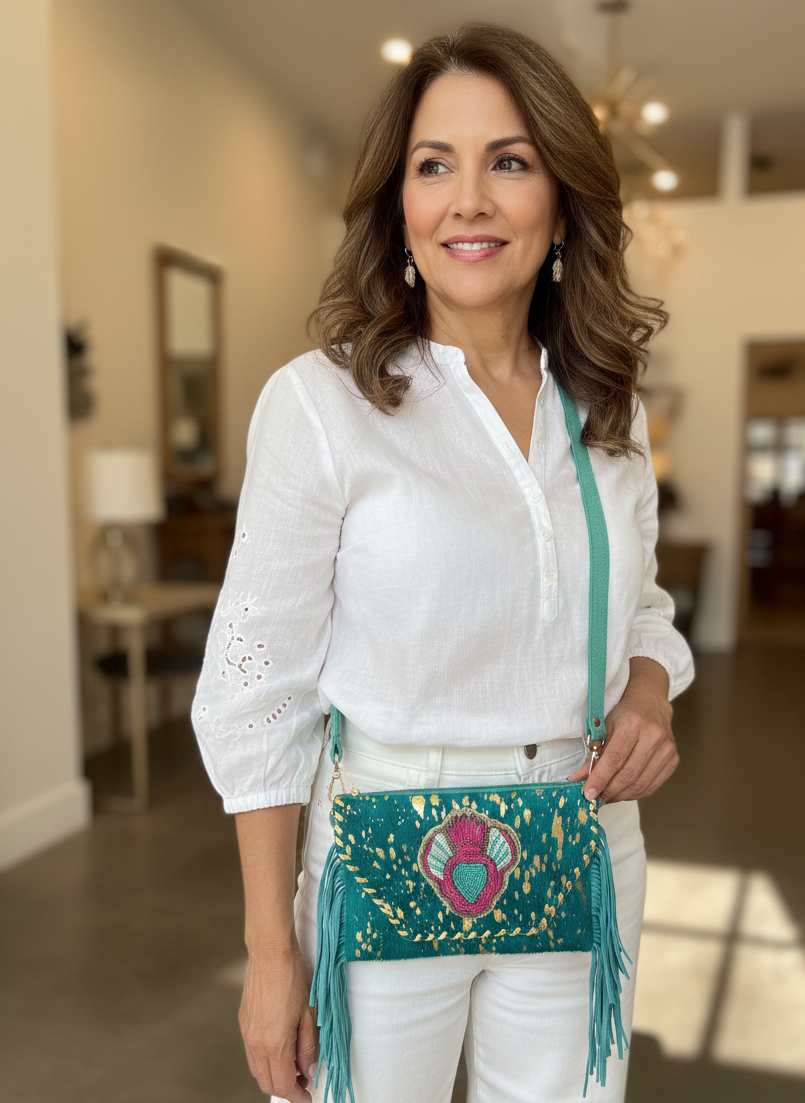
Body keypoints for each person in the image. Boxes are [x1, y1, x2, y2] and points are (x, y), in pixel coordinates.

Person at [192, 24, 694, 1103]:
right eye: (434, 165)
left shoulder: (608, 410)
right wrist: (272, 950)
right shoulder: (321, 404)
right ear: (400, 206)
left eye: (508, 161)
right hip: (381, 844)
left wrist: (648, 691)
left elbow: (641, 607)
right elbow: (257, 691)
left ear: (560, 202)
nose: (467, 198)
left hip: (582, 838)